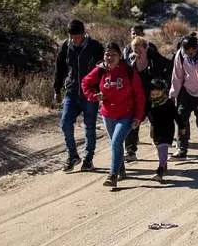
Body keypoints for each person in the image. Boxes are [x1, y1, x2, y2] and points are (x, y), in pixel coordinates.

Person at [81, 42, 145, 188]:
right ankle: (121, 170)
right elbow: (85, 83)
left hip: (126, 115)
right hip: (107, 114)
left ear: (120, 56)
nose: (109, 57)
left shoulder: (128, 71)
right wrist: (93, 96)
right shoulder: (100, 70)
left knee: (116, 142)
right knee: (116, 144)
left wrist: (138, 117)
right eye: (107, 54)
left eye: (113, 55)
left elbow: (140, 95)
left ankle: (112, 175)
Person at [53, 19, 105, 172]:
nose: (74, 40)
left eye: (77, 37)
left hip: (90, 93)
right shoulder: (65, 46)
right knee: (65, 123)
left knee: (89, 127)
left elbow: (103, 69)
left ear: (83, 34)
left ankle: (88, 160)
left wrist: (102, 90)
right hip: (71, 92)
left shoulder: (95, 47)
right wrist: (57, 89)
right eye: (72, 37)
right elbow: (60, 68)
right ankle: (73, 156)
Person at [124, 35, 154, 162]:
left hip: (152, 98)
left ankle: (161, 150)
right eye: (134, 50)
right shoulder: (130, 62)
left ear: (145, 48)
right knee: (132, 124)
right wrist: (131, 64)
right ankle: (130, 151)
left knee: (157, 123)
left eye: (139, 51)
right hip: (136, 99)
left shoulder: (153, 60)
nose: (137, 53)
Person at [146, 78, 178, 182]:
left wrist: (181, 126)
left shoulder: (168, 103)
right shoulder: (149, 104)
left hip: (168, 129)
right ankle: (164, 164)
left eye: (157, 93)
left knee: (163, 146)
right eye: (152, 94)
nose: (154, 95)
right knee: (160, 148)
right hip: (156, 129)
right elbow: (143, 114)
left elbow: (176, 115)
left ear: (163, 92)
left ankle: (160, 170)